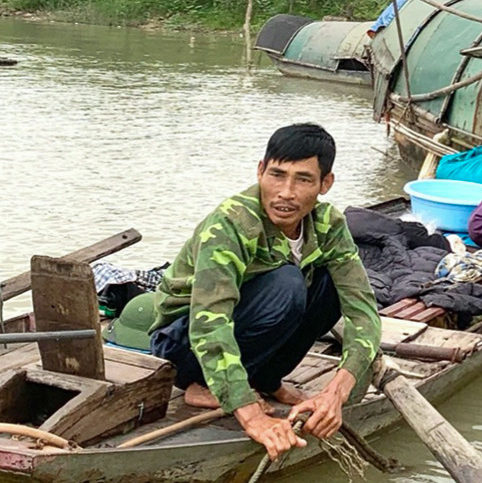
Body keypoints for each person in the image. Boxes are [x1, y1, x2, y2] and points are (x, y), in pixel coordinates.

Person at [147, 123, 381, 460]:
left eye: (303, 179)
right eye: (277, 175)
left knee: (330, 285)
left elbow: (363, 310)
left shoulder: (328, 224)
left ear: (325, 184)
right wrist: (251, 415)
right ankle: (204, 385)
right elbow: (209, 322)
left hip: (250, 338)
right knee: (286, 284)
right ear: (260, 171)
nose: (286, 192)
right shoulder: (231, 224)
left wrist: (337, 392)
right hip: (181, 345)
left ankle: (268, 379)